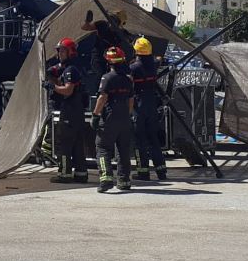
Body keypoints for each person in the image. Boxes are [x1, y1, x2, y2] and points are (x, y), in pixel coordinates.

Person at [44, 37, 88, 184]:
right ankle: (81, 173)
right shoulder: (73, 68)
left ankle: (64, 174)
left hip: (69, 111)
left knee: (64, 144)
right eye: (59, 50)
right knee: (77, 144)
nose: (60, 53)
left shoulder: (70, 70)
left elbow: (68, 91)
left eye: (63, 50)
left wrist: (53, 87)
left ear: (70, 52)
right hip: (77, 111)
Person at [93, 46, 134, 193]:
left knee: (102, 148)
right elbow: (131, 101)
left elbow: (102, 97)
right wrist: (127, 116)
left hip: (109, 118)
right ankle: (124, 180)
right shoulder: (128, 79)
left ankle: (106, 179)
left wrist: (95, 115)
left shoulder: (106, 78)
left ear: (109, 62)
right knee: (123, 151)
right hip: (124, 118)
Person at [129, 35, 167, 181]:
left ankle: (143, 172)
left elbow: (128, 83)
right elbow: (158, 59)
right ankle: (161, 171)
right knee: (153, 139)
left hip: (139, 106)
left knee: (140, 140)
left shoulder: (133, 67)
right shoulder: (153, 64)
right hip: (152, 105)